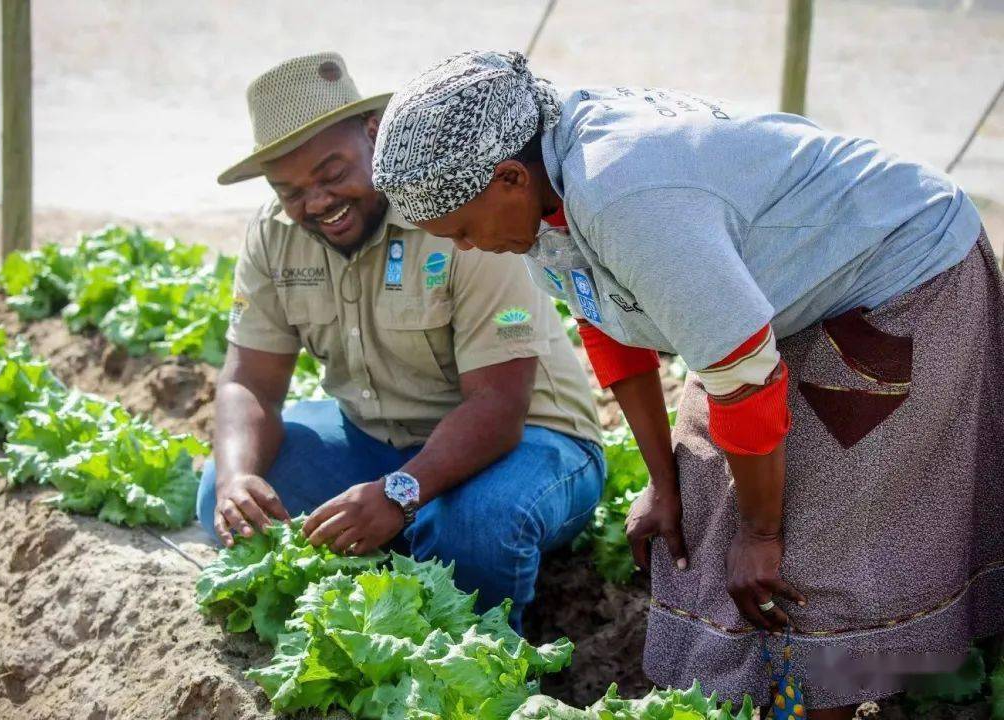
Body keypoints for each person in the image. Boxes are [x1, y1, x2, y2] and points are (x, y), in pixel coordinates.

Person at [370, 50, 1004, 716]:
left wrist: (760, 535)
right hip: (780, 292)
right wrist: (661, 482)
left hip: (901, 272)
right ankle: (755, 695)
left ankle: (829, 699)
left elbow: (743, 377)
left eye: (464, 231)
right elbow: (608, 322)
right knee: (702, 509)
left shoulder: (624, 192)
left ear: (507, 178)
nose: (467, 249)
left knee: (813, 547)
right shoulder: (542, 193)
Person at [199, 52, 606, 628]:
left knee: (472, 531)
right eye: (290, 190)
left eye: (332, 173)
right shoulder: (273, 233)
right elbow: (248, 380)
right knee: (229, 494)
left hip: (530, 441)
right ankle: (388, 579)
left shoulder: (454, 208)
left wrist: (398, 494)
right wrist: (240, 479)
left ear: (373, 135)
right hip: (380, 443)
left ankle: (486, 652)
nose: (315, 203)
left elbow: (499, 406)